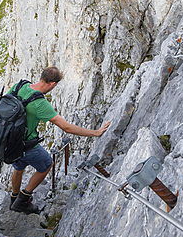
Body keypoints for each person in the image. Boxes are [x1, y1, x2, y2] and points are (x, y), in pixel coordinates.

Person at [9, 66, 110, 213]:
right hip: (25, 145)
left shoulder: (20, 86)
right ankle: (22, 200)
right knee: (47, 165)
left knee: (19, 168)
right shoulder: (40, 104)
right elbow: (67, 128)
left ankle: (14, 197)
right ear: (52, 84)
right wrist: (95, 133)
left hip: (10, 142)